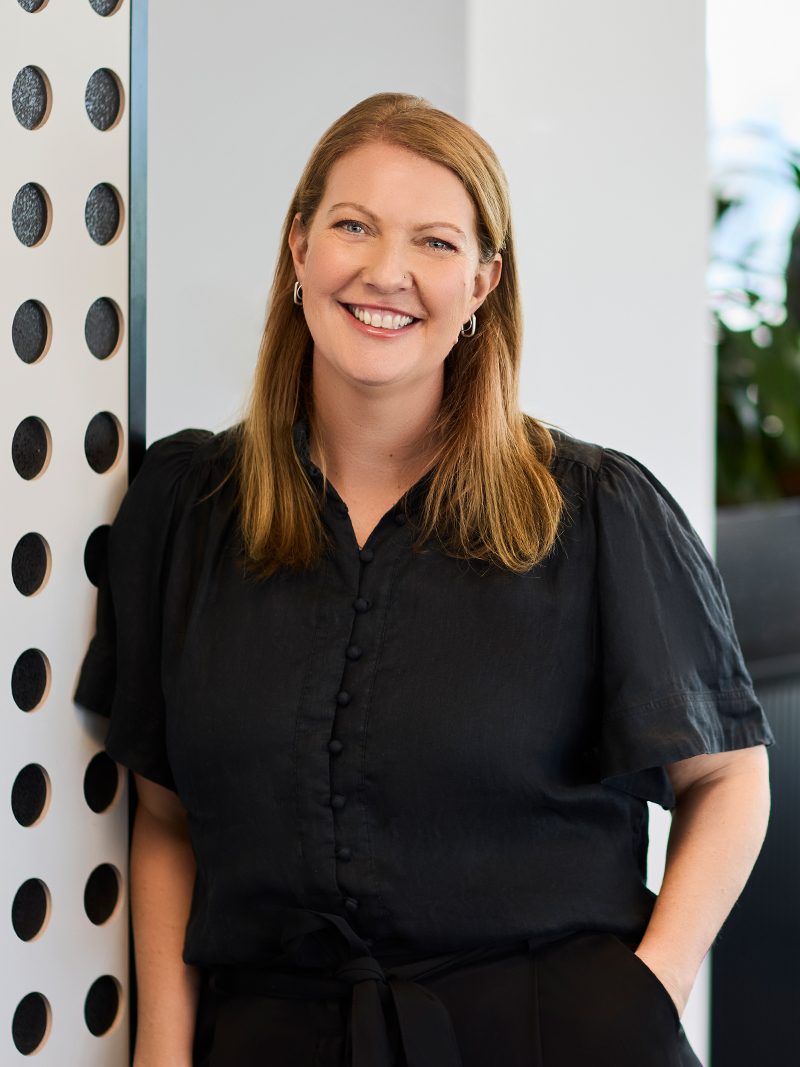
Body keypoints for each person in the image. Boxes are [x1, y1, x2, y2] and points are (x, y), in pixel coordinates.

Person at [76, 93, 772, 1067]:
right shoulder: (187, 507)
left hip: (549, 1038)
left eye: (434, 242)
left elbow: (728, 776)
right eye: (353, 226)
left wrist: (648, 992)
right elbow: (163, 816)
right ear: (299, 247)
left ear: (483, 281)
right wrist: (162, 1048)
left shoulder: (596, 510)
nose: (385, 271)